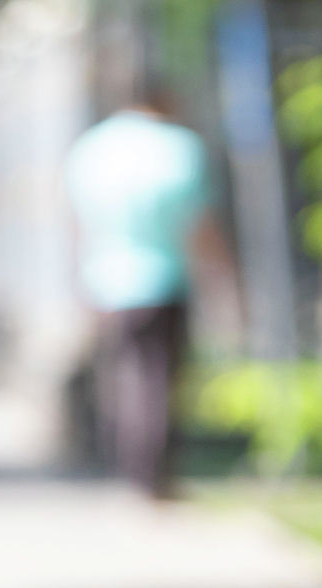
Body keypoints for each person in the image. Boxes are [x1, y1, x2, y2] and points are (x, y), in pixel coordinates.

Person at [63, 87, 217, 496]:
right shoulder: (180, 148)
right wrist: (222, 277)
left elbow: (78, 224)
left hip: (105, 283)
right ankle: (154, 475)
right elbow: (199, 223)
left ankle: (128, 469)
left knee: (122, 379)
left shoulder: (92, 149)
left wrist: (78, 282)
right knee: (159, 379)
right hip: (165, 280)